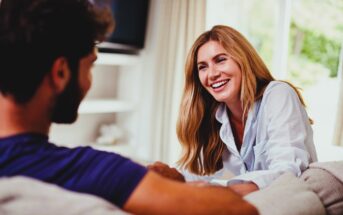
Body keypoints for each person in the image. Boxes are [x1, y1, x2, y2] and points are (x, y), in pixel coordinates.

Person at [0, 0, 258, 214]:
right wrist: (188, 185)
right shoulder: (92, 170)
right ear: (60, 73)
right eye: (90, 66)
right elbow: (239, 210)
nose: (89, 82)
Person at [148, 25, 318, 196]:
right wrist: (175, 177)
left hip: (297, 201)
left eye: (220, 60)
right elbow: (203, 174)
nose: (211, 74)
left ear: (243, 59)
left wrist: (219, 191)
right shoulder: (216, 116)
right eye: (202, 67)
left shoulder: (278, 94)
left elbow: (288, 172)